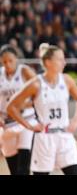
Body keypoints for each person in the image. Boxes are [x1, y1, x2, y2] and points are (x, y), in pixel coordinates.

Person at [7, 43, 77, 175]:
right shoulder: (36, 84)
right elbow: (11, 107)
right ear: (48, 62)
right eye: (60, 59)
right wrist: (29, 126)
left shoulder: (66, 80)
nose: (64, 62)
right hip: (44, 138)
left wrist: (76, 120)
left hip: (65, 137)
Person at [0, 45, 36, 175]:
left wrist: (25, 104)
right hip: (7, 123)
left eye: (10, 60)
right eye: (4, 62)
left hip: (25, 121)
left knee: (23, 168)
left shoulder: (24, 71)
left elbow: (40, 92)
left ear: (16, 58)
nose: (8, 64)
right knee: (13, 169)